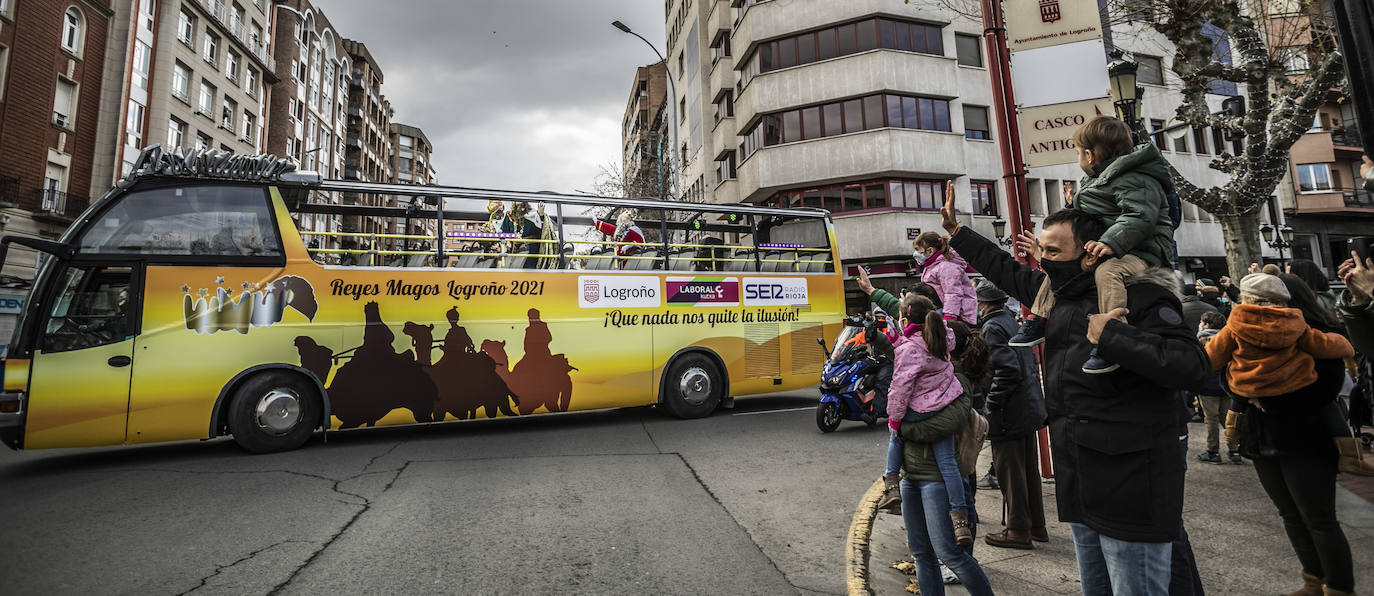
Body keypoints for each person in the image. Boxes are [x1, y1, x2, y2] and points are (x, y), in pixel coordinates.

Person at [941, 186, 1209, 595]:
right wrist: (959, 232)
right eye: (1041, 251)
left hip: (1129, 483)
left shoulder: (1141, 296)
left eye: (1052, 252)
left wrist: (1115, 336)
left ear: (1090, 253)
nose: (1042, 261)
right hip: (1080, 481)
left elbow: (1191, 366)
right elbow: (1005, 270)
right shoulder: (1059, 296)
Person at [1207, 273, 1360, 596]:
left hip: (1307, 439)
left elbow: (1324, 390)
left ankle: (1339, 588)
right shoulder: (1242, 331)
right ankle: (1313, 581)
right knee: (1289, 514)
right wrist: (1244, 390)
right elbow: (1223, 373)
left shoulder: (1314, 333)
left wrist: (1268, 400)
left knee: (1318, 518)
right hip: (1262, 438)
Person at [1008, 116, 1178, 376]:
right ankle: (1041, 317)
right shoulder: (1099, 180)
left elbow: (1140, 216)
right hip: (1110, 246)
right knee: (1061, 266)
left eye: (1077, 153)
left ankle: (1111, 334)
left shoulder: (1135, 178)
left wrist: (1110, 242)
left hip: (1143, 250)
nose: (1078, 158)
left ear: (1089, 155)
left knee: (1107, 272)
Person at [881, 294, 975, 545]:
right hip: (943, 405)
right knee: (948, 465)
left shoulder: (910, 349)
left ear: (905, 317)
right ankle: (960, 520)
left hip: (919, 410)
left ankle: (891, 484)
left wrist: (894, 420)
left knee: (896, 437)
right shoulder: (943, 337)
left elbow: (900, 388)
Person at [974, 280, 1049, 550]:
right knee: (1027, 469)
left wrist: (990, 406)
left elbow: (1006, 370)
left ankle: (1018, 529)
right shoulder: (1010, 321)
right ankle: (1036, 525)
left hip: (1009, 411)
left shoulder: (992, 327)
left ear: (982, 303)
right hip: (1026, 406)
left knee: (1011, 473)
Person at [1194, 311, 1240, 464]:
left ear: (1206, 324)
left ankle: (1213, 451)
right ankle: (1234, 450)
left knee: (1211, 418)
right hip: (1226, 385)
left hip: (1208, 386)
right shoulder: (1228, 339)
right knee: (1227, 417)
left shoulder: (1201, 340)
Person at [913, 232, 977, 324]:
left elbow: (952, 292)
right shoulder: (932, 266)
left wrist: (950, 316)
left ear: (930, 251)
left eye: (919, 250)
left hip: (958, 313)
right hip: (943, 308)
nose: (916, 254)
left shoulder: (946, 266)